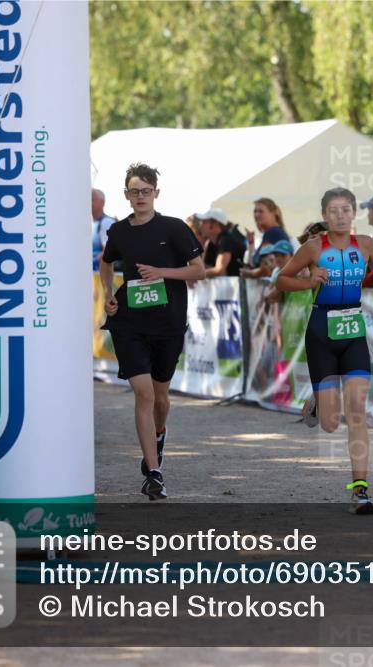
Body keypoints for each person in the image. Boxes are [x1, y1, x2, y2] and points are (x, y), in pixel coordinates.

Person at [275, 187, 373, 514]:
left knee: (357, 408)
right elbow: (282, 280)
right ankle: (317, 402)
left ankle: (360, 489)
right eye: (334, 211)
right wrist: (310, 280)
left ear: (353, 214)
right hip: (321, 332)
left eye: (346, 210)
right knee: (331, 422)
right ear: (325, 215)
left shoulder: (367, 245)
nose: (341, 216)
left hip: (353, 331)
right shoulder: (313, 248)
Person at [99, 163, 206, 501]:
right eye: (134, 191)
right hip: (129, 323)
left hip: (167, 323)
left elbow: (198, 270)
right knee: (143, 393)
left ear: (156, 193)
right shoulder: (118, 232)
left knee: (160, 397)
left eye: (146, 190)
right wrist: (107, 294)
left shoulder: (173, 228)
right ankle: (154, 474)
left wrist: (160, 272)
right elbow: (106, 261)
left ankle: (159, 434)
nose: (140, 196)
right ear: (126, 195)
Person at [244, 197, 292, 277]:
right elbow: (256, 262)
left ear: (273, 213)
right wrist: (251, 244)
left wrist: (250, 273)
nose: (256, 215)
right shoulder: (272, 232)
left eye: (261, 211)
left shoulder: (273, 233)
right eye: (255, 211)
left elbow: (267, 268)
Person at [197, 208, 246, 278]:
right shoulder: (211, 243)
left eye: (204, 222)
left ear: (215, 224)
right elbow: (205, 267)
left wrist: (194, 276)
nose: (200, 226)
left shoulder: (226, 239)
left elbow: (220, 270)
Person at [92, 188, 117, 271]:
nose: (89, 202)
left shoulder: (107, 222)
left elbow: (107, 252)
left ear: (102, 203)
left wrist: (89, 264)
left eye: (92, 199)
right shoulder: (92, 224)